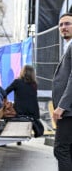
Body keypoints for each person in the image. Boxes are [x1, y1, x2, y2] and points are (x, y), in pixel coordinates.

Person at [52, 12, 72, 171]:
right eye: (61, 25)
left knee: (61, 149)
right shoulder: (68, 45)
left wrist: (62, 106)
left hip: (69, 110)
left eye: (68, 24)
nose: (64, 27)